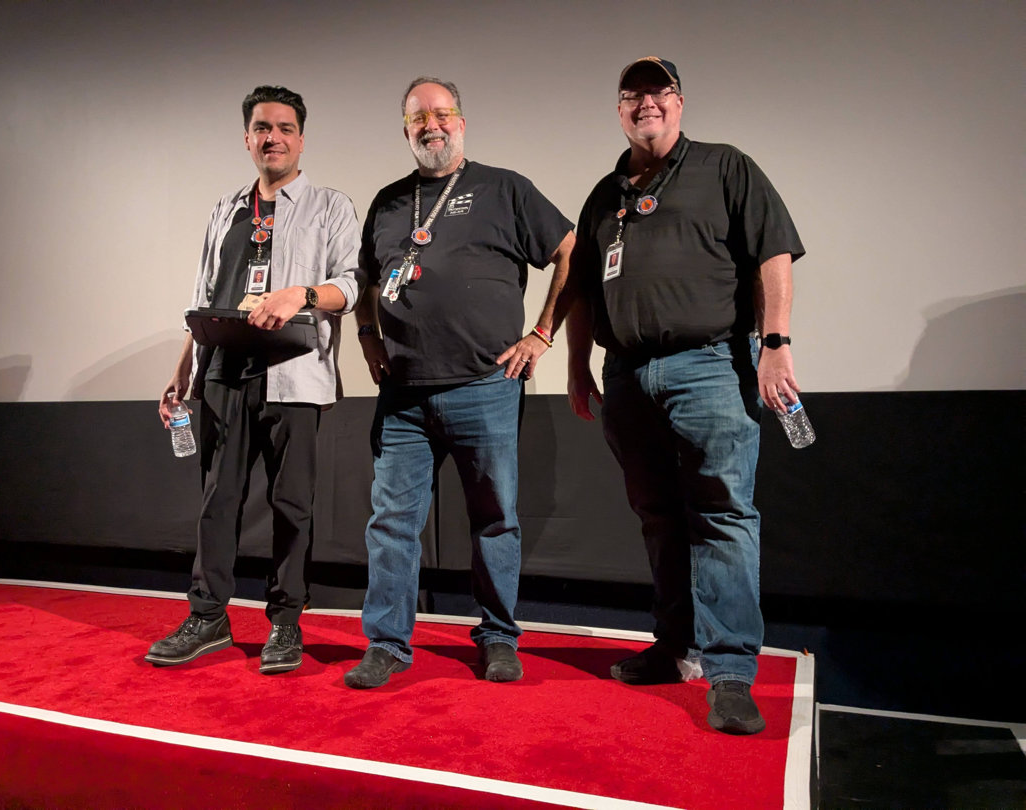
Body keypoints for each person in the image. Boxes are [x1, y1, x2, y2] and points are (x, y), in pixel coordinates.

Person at [565, 57, 805, 734]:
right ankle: (677, 649)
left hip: (712, 367)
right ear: (619, 110)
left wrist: (776, 345)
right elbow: (583, 288)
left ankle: (730, 673)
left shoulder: (727, 167)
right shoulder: (604, 195)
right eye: (633, 94)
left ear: (679, 101)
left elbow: (773, 255)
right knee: (658, 518)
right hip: (628, 376)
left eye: (659, 91)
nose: (647, 103)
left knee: (723, 515)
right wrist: (579, 364)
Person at [346, 76, 575, 689]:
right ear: (405, 130)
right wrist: (368, 339)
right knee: (391, 523)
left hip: (485, 386)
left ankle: (499, 637)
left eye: (443, 114)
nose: (432, 126)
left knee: (495, 520)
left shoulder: (505, 188)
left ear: (462, 122)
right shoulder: (389, 202)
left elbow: (571, 250)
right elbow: (364, 282)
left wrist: (543, 333)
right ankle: (389, 644)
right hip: (404, 396)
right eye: (419, 118)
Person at [146, 86, 362, 674]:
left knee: (293, 505)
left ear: (300, 137)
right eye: (262, 128)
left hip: (293, 375)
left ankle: (286, 624)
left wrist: (301, 295)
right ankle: (209, 615)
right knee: (218, 501)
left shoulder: (330, 206)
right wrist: (183, 370)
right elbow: (203, 297)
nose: (274, 138)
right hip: (223, 372)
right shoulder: (226, 210)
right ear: (248, 138)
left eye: (285, 128)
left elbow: (353, 286)